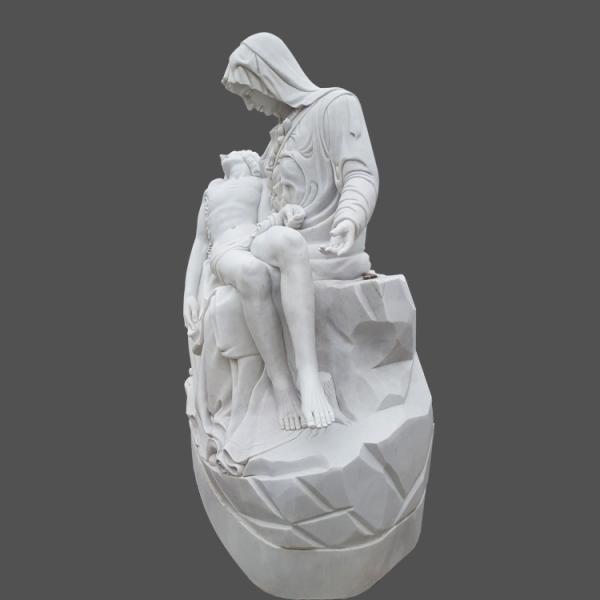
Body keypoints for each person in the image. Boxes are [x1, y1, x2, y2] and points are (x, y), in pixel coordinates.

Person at [183, 150, 335, 431]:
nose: (226, 154)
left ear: (250, 160)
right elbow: (200, 242)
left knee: (292, 243)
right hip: (226, 249)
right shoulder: (212, 191)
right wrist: (189, 295)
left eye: (236, 152)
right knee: (253, 273)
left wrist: (286, 215)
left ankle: (308, 373)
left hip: (255, 236)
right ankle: (282, 385)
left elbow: (266, 218)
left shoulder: (260, 182)